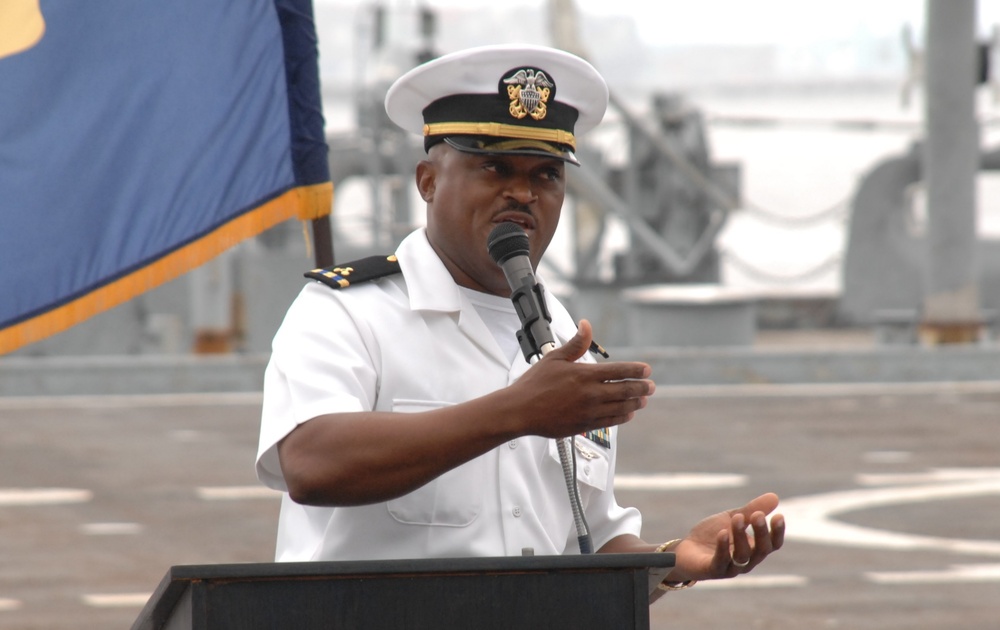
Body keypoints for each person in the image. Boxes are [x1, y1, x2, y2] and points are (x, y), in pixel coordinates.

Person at [256, 43, 784, 593]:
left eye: (547, 175)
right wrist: (515, 412)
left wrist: (675, 560)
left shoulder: (565, 343)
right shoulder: (347, 312)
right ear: (427, 181)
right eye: (494, 167)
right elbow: (312, 463)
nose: (523, 193)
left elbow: (592, 539)